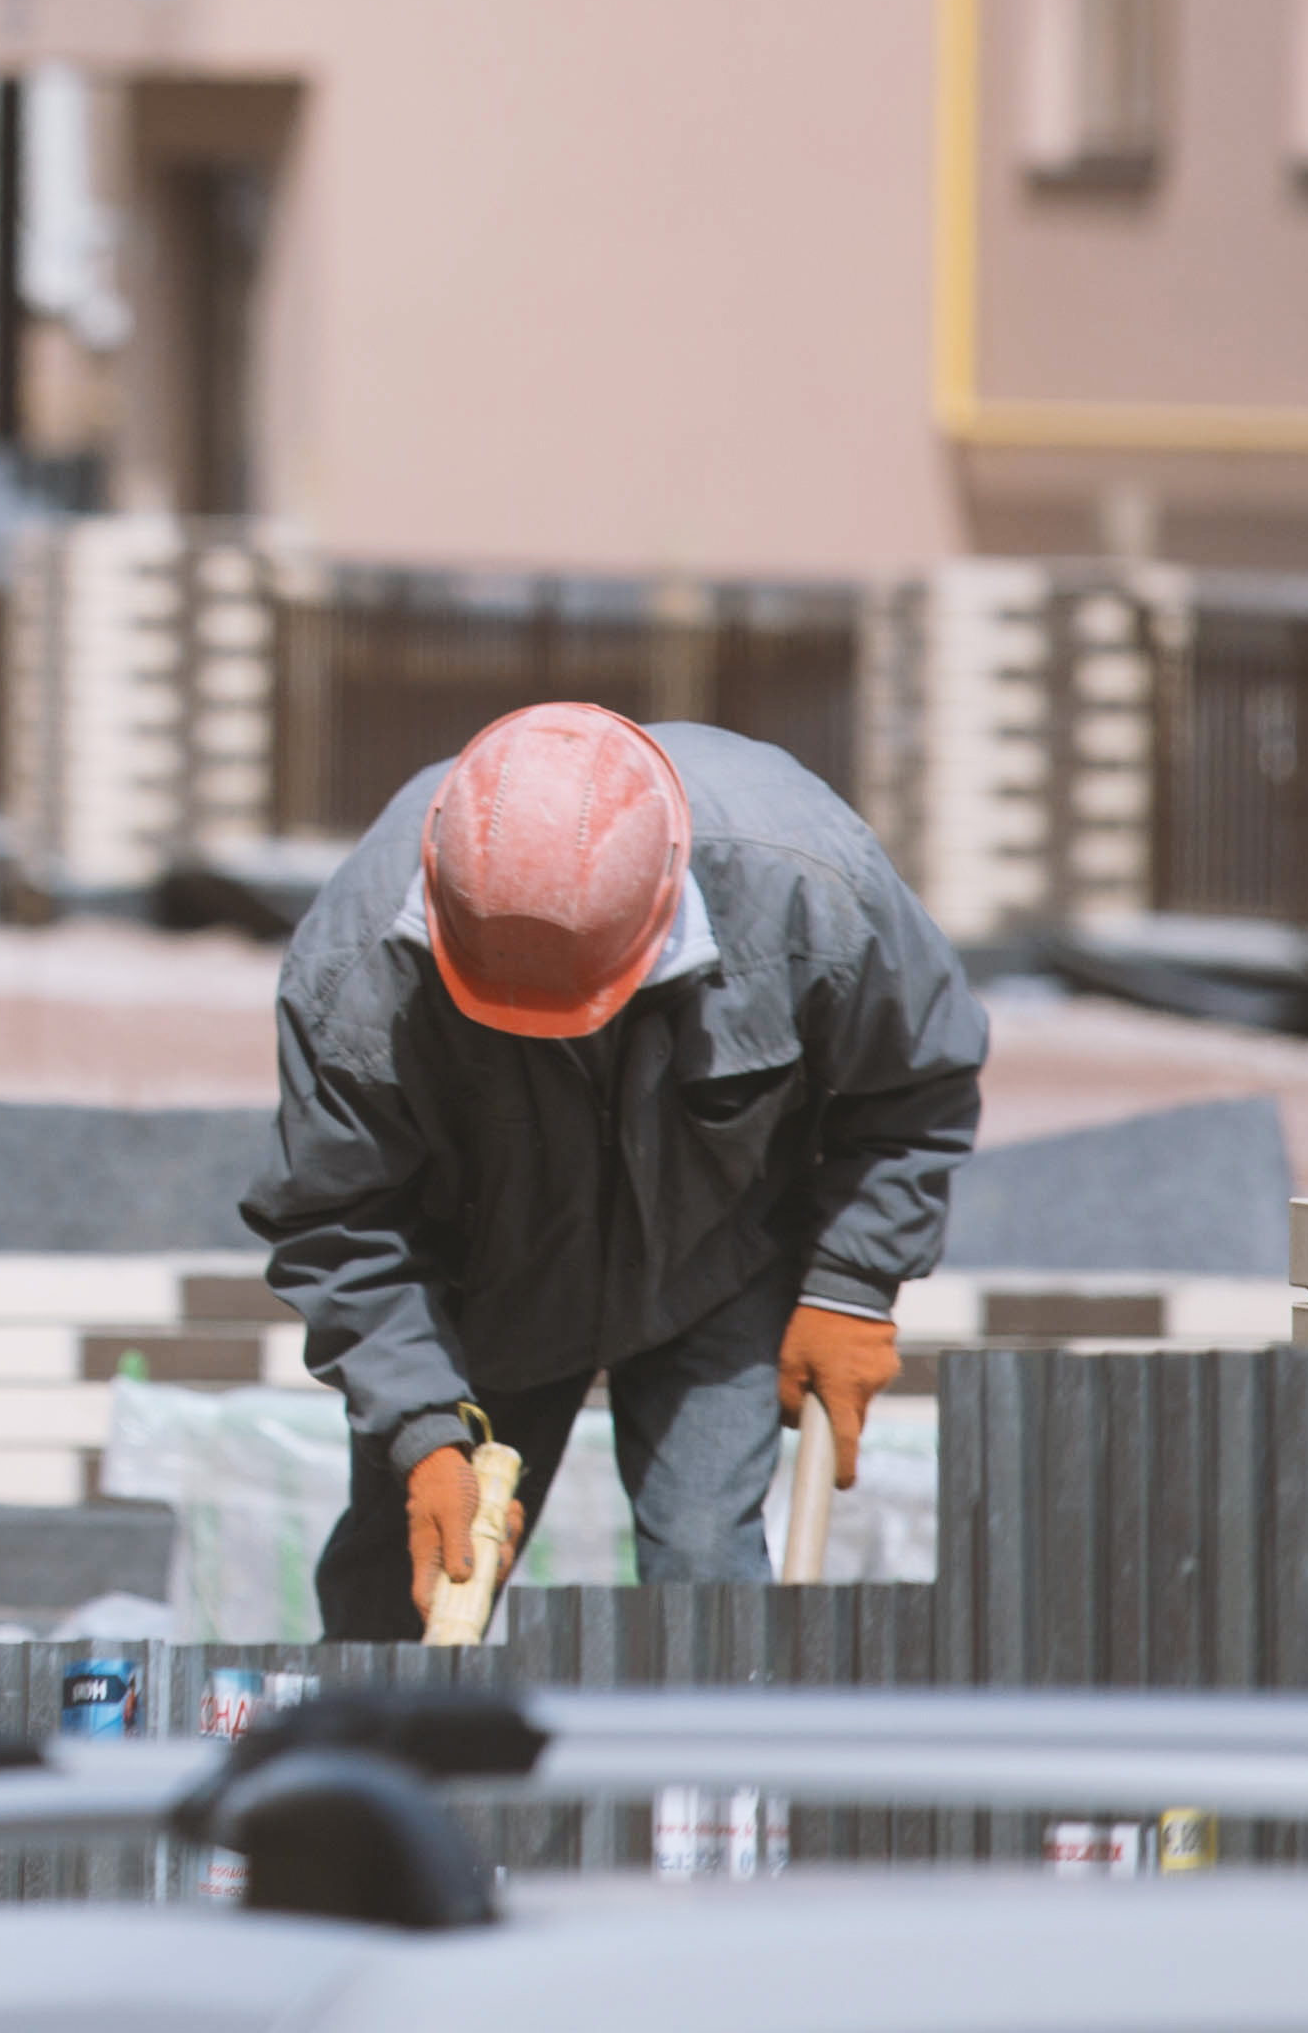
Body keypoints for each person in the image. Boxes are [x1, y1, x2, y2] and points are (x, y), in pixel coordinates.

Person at [245, 698, 986, 1638]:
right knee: (408, 1584)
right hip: (484, 1285)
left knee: (705, 1568)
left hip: (718, 1260)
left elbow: (915, 1084)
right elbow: (338, 1218)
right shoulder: (358, 972)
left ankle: (715, 1784)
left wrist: (851, 1282)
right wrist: (425, 1430)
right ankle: (372, 1778)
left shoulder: (807, 883)